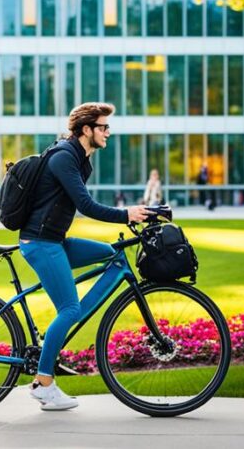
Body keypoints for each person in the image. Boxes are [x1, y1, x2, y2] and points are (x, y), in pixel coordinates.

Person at [19, 102, 149, 411]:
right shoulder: (65, 158)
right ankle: (44, 383)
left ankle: (52, 359)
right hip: (40, 243)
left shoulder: (80, 159)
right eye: (104, 127)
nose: (108, 133)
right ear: (86, 130)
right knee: (69, 309)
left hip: (55, 240)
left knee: (113, 255)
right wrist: (126, 213)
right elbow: (86, 205)